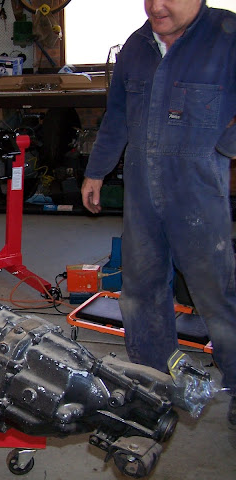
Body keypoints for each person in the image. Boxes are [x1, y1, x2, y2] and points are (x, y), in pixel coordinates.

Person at [81, 0, 236, 425]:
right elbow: (116, 116)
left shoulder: (227, 37)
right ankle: (153, 383)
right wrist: (96, 171)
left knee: (216, 294)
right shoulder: (137, 46)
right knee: (142, 291)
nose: (156, 5)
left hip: (197, 191)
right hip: (141, 191)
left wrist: (223, 149)